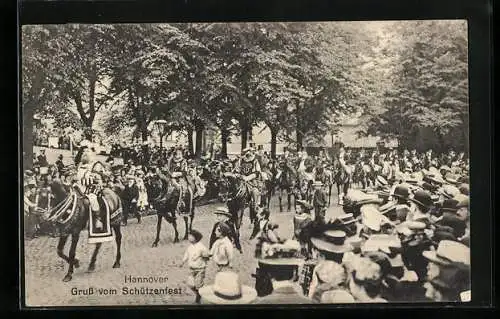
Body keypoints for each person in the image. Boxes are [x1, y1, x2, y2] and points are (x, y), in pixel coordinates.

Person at [179, 229, 210, 304]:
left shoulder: (201, 247)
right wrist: (182, 262)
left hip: (200, 269)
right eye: (189, 236)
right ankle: (198, 293)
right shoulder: (190, 247)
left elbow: (207, 256)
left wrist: (202, 256)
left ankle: (198, 299)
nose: (189, 237)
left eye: (191, 236)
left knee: (198, 284)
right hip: (191, 269)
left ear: (195, 238)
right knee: (190, 284)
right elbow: (186, 254)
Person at [233, 147, 262, 222]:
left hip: (252, 180)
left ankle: (255, 205)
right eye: (246, 153)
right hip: (241, 179)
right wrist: (237, 174)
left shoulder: (255, 161)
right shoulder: (240, 160)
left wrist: (248, 177)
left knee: (255, 191)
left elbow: (257, 172)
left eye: (249, 153)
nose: (248, 154)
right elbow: (237, 169)